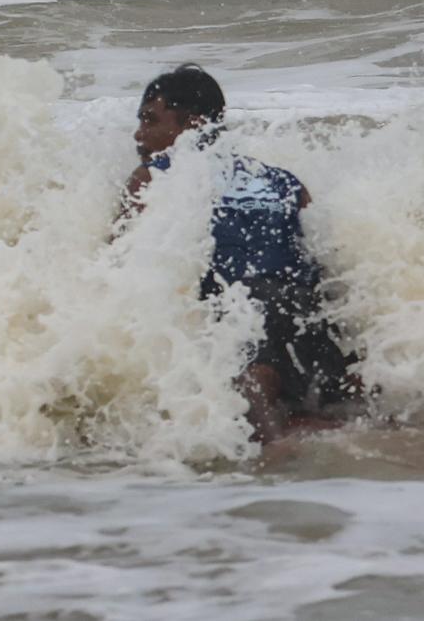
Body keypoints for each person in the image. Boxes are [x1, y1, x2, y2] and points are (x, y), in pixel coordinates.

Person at [123, 65, 361, 442]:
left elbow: (121, 259)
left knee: (261, 430)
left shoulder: (154, 176)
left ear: (194, 124)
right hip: (308, 310)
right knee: (338, 413)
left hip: (243, 310)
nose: (139, 134)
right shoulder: (283, 179)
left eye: (151, 120)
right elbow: (321, 258)